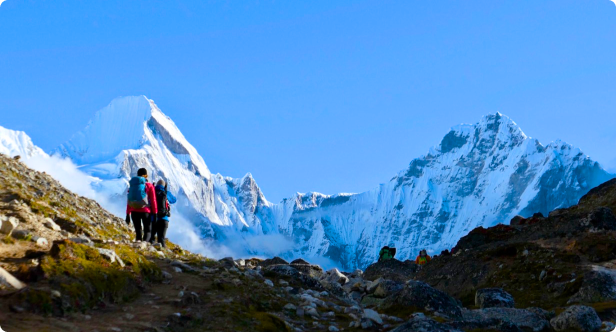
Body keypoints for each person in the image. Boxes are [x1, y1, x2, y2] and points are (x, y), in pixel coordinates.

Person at [126, 168, 157, 242]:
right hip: (145, 211)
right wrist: (155, 213)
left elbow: (129, 200)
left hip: (134, 211)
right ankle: (144, 246)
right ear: (145, 176)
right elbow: (153, 200)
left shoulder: (132, 186)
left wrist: (128, 214)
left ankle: (138, 247)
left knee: (138, 232)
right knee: (148, 231)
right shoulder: (149, 185)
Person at [154, 179, 176, 247]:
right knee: (162, 238)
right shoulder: (165, 192)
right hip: (164, 218)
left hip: (155, 218)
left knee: (153, 237)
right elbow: (174, 200)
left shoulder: (153, 191)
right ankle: (163, 254)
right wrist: (166, 190)